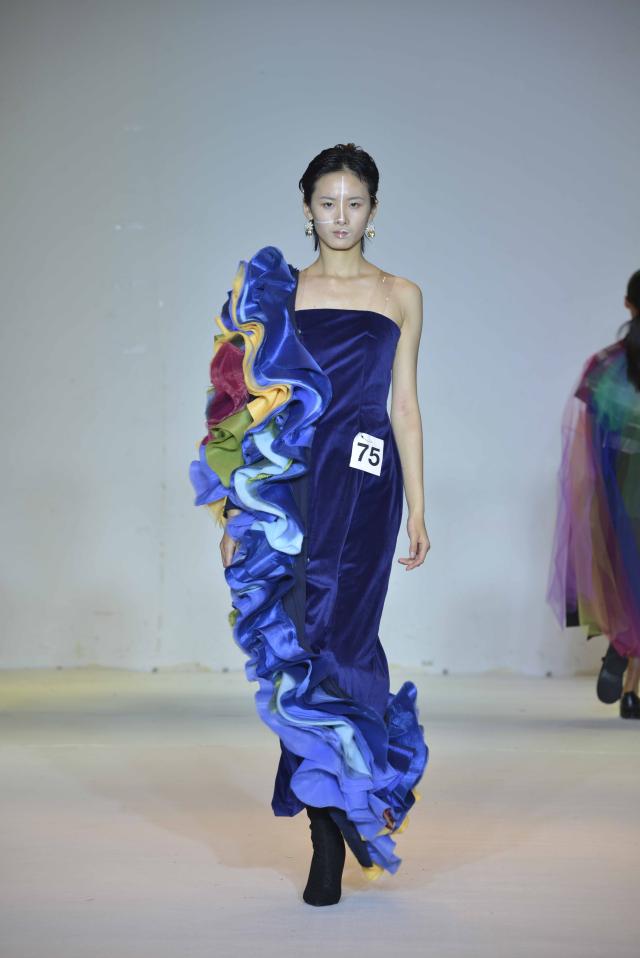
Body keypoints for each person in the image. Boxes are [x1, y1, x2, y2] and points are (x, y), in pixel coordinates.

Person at [190, 143, 430, 906]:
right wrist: (234, 510)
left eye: (354, 203)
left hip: (366, 488)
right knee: (298, 651)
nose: (340, 216)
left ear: (374, 211)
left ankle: (350, 794)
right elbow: (238, 406)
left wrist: (419, 507)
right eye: (327, 203)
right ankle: (329, 833)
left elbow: (405, 406)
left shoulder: (401, 294)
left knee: (348, 643)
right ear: (306, 209)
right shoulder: (276, 293)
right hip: (292, 491)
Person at [548, 270, 640, 719]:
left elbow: (588, 439)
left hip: (622, 492)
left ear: (628, 304)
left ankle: (622, 654)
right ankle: (631, 688)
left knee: (629, 583)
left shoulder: (606, 367)